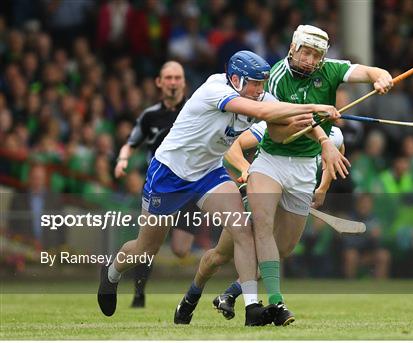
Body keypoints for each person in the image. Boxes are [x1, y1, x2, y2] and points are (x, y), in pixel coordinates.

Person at [97, 50, 341, 327]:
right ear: (236, 79)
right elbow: (264, 113)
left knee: (242, 229)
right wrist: (314, 107)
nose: (260, 90)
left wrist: (323, 139)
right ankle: (112, 272)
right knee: (146, 249)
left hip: (209, 173)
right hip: (170, 174)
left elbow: (283, 114)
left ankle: (252, 307)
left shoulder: (259, 96)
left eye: (263, 83)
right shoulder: (214, 89)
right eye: (254, 83)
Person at [179, 25, 393, 326]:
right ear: (293, 49)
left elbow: (366, 73)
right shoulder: (276, 80)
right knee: (224, 252)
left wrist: (380, 76)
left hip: (303, 171)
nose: (309, 59)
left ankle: (229, 294)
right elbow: (270, 131)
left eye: (316, 55)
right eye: (305, 52)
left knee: (283, 249)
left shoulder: (333, 113)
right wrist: (245, 168)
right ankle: (198, 296)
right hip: (270, 164)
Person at [113, 61, 196, 308]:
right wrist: (122, 160)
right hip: (159, 186)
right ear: (159, 82)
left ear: (184, 82)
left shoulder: (195, 109)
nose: (172, 82)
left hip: (189, 186)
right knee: (147, 246)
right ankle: (139, 293)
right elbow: (130, 142)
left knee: (181, 250)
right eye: (168, 78)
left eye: (177, 78)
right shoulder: (150, 116)